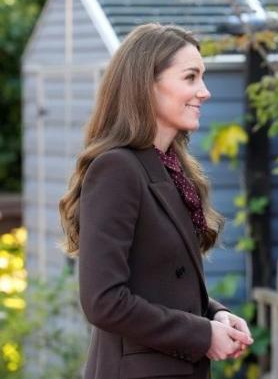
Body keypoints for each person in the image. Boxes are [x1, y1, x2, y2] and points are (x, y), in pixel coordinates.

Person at [58, 23, 253, 379]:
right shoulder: (117, 168)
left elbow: (160, 283)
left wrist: (213, 315)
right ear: (147, 84)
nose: (205, 92)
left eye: (203, 77)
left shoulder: (170, 168)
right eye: (191, 77)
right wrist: (201, 335)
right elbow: (104, 302)